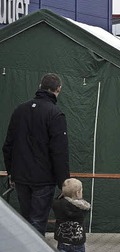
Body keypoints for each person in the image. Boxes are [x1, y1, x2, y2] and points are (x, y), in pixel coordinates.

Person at [3, 73, 70, 236]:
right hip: (43, 179)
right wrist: (63, 182)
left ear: (40, 86)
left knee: (25, 220)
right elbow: (59, 152)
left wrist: (11, 173)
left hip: (20, 177)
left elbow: (8, 145)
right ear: (58, 89)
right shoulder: (55, 114)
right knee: (38, 221)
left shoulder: (19, 110)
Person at [52, 178, 92, 252]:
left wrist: (62, 195)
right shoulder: (81, 208)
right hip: (77, 242)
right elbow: (86, 208)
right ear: (78, 193)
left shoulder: (57, 204)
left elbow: (56, 201)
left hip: (62, 240)